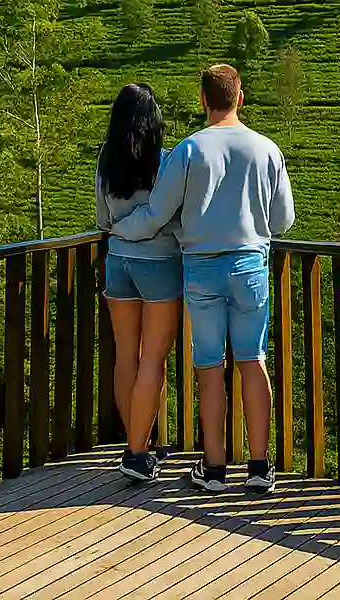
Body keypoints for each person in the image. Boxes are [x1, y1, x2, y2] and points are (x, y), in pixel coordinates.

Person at [112, 63, 295, 494]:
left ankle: (213, 468)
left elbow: (157, 215)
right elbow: (284, 220)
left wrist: (119, 229)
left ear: (203, 101)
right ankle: (259, 466)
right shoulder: (266, 149)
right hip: (251, 265)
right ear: (240, 97)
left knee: (210, 367)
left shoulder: (188, 151)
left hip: (201, 268)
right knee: (252, 360)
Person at [95, 83, 184, 484]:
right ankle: (138, 450)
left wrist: (119, 233)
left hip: (118, 263)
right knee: (154, 360)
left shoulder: (105, 161)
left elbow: (102, 220)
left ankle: (138, 444)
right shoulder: (163, 162)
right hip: (160, 264)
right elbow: (172, 216)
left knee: (126, 356)